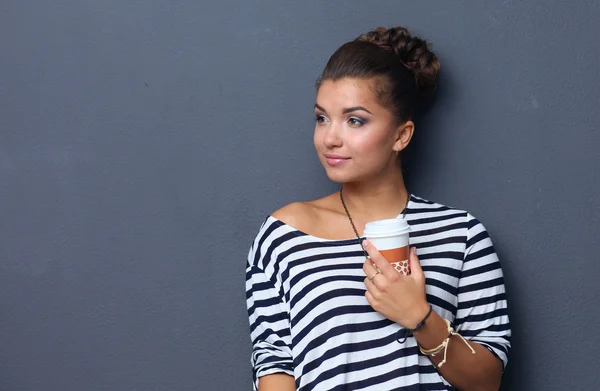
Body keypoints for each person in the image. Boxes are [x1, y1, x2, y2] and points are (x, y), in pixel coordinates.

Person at [245, 26, 511, 391]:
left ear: (401, 135)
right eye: (322, 117)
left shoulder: (462, 235)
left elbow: (488, 381)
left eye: (355, 120)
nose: (330, 138)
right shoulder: (284, 234)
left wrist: (419, 316)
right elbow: (274, 366)